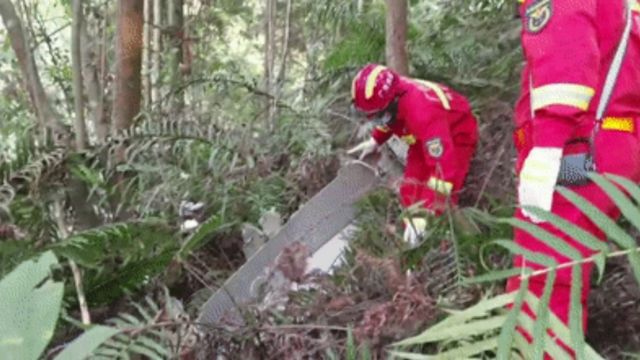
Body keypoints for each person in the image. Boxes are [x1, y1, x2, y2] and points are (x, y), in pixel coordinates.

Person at [507, 0, 640, 356]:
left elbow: (566, 52)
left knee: (543, 284)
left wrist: (548, 142)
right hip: (610, 142)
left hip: (576, 151)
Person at [347, 64, 478, 246]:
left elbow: (444, 168)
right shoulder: (395, 96)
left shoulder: (422, 112)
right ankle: (412, 239)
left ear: (390, 105)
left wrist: (427, 213)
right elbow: (390, 120)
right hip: (419, 138)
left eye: (375, 116)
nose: (374, 121)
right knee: (410, 190)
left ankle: (442, 241)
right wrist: (376, 140)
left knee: (441, 196)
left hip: (456, 136)